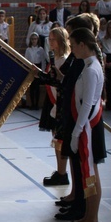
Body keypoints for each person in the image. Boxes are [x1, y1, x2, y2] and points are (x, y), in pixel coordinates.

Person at [64, 27, 106, 222]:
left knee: (91, 172)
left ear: (82, 45)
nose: (72, 50)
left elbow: (87, 104)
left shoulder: (91, 69)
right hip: (85, 126)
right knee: (86, 172)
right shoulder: (88, 65)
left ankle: (92, 218)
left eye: (73, 45)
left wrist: (76, 132)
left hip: (88, 128)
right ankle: (88, 215)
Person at [40, 26, 71, 186]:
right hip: (54, 103)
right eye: (49, 39)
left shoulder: (64, 60)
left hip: (60, 104)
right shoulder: (55, 57)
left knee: (60, 141)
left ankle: (62, 172)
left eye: (53, 39)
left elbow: (61, 82)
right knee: (56, 140)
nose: (50, 42)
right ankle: (60, 171)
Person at [24, 32, 45, 109]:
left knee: (37, 87)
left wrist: (42, 70)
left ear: (37, 40)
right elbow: (26, 60)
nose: (34, 41)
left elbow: (43, 60)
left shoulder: (40, 49)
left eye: (35, 39)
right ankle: (32, 104)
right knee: (32, 87)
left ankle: (37, 104)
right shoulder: (28, 49)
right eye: (32, 39)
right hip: (31, 67)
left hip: (38, 67)